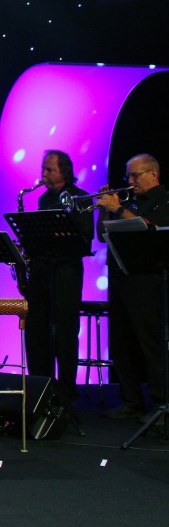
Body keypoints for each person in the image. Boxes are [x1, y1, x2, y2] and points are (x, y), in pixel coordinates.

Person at [97, 153, 169, 421]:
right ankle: (131, 401)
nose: (129, 181)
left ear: (153, 174)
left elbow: (151, 229)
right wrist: (106, 208)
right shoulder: (132, 201)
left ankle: (162, 403)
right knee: (120, 343)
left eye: (135, 175)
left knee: (150, 345)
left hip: (148, 280)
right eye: (128, 176)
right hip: (120, 278)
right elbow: (101, 235)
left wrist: (117, 209)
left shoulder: (163, 199)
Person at [24, 150, 94, 403]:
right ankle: (40, 386)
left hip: (66, 272)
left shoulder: (82, 198)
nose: (43, 174)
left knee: (64, 331)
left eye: (49, 169)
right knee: (37, 330)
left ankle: (66, 390)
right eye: (43, 169)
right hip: (42, 272)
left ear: (64, 170)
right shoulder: (43, 200)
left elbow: (86, 237)